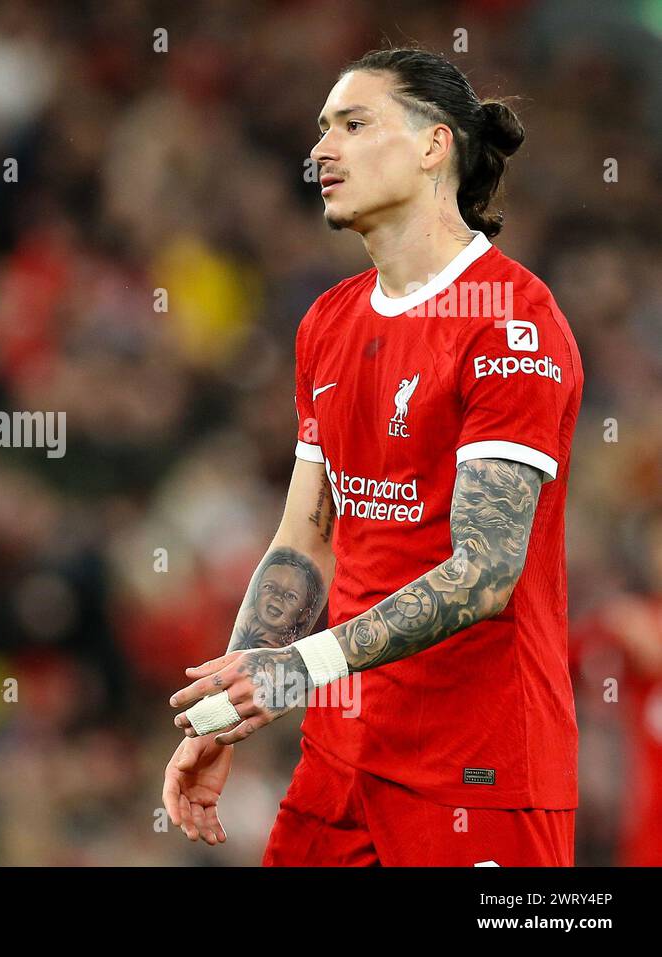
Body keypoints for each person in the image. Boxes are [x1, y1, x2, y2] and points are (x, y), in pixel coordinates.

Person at [160, 48, 584, 866]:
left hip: (477, 770)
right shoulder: (327, 322)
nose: (322, 150)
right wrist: (230, 711)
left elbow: (485, 570)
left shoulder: (511, 322)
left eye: (353, 125)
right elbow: (304, 539)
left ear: (434, 147)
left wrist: (299, 667)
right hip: (343, 759)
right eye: (321, 130)